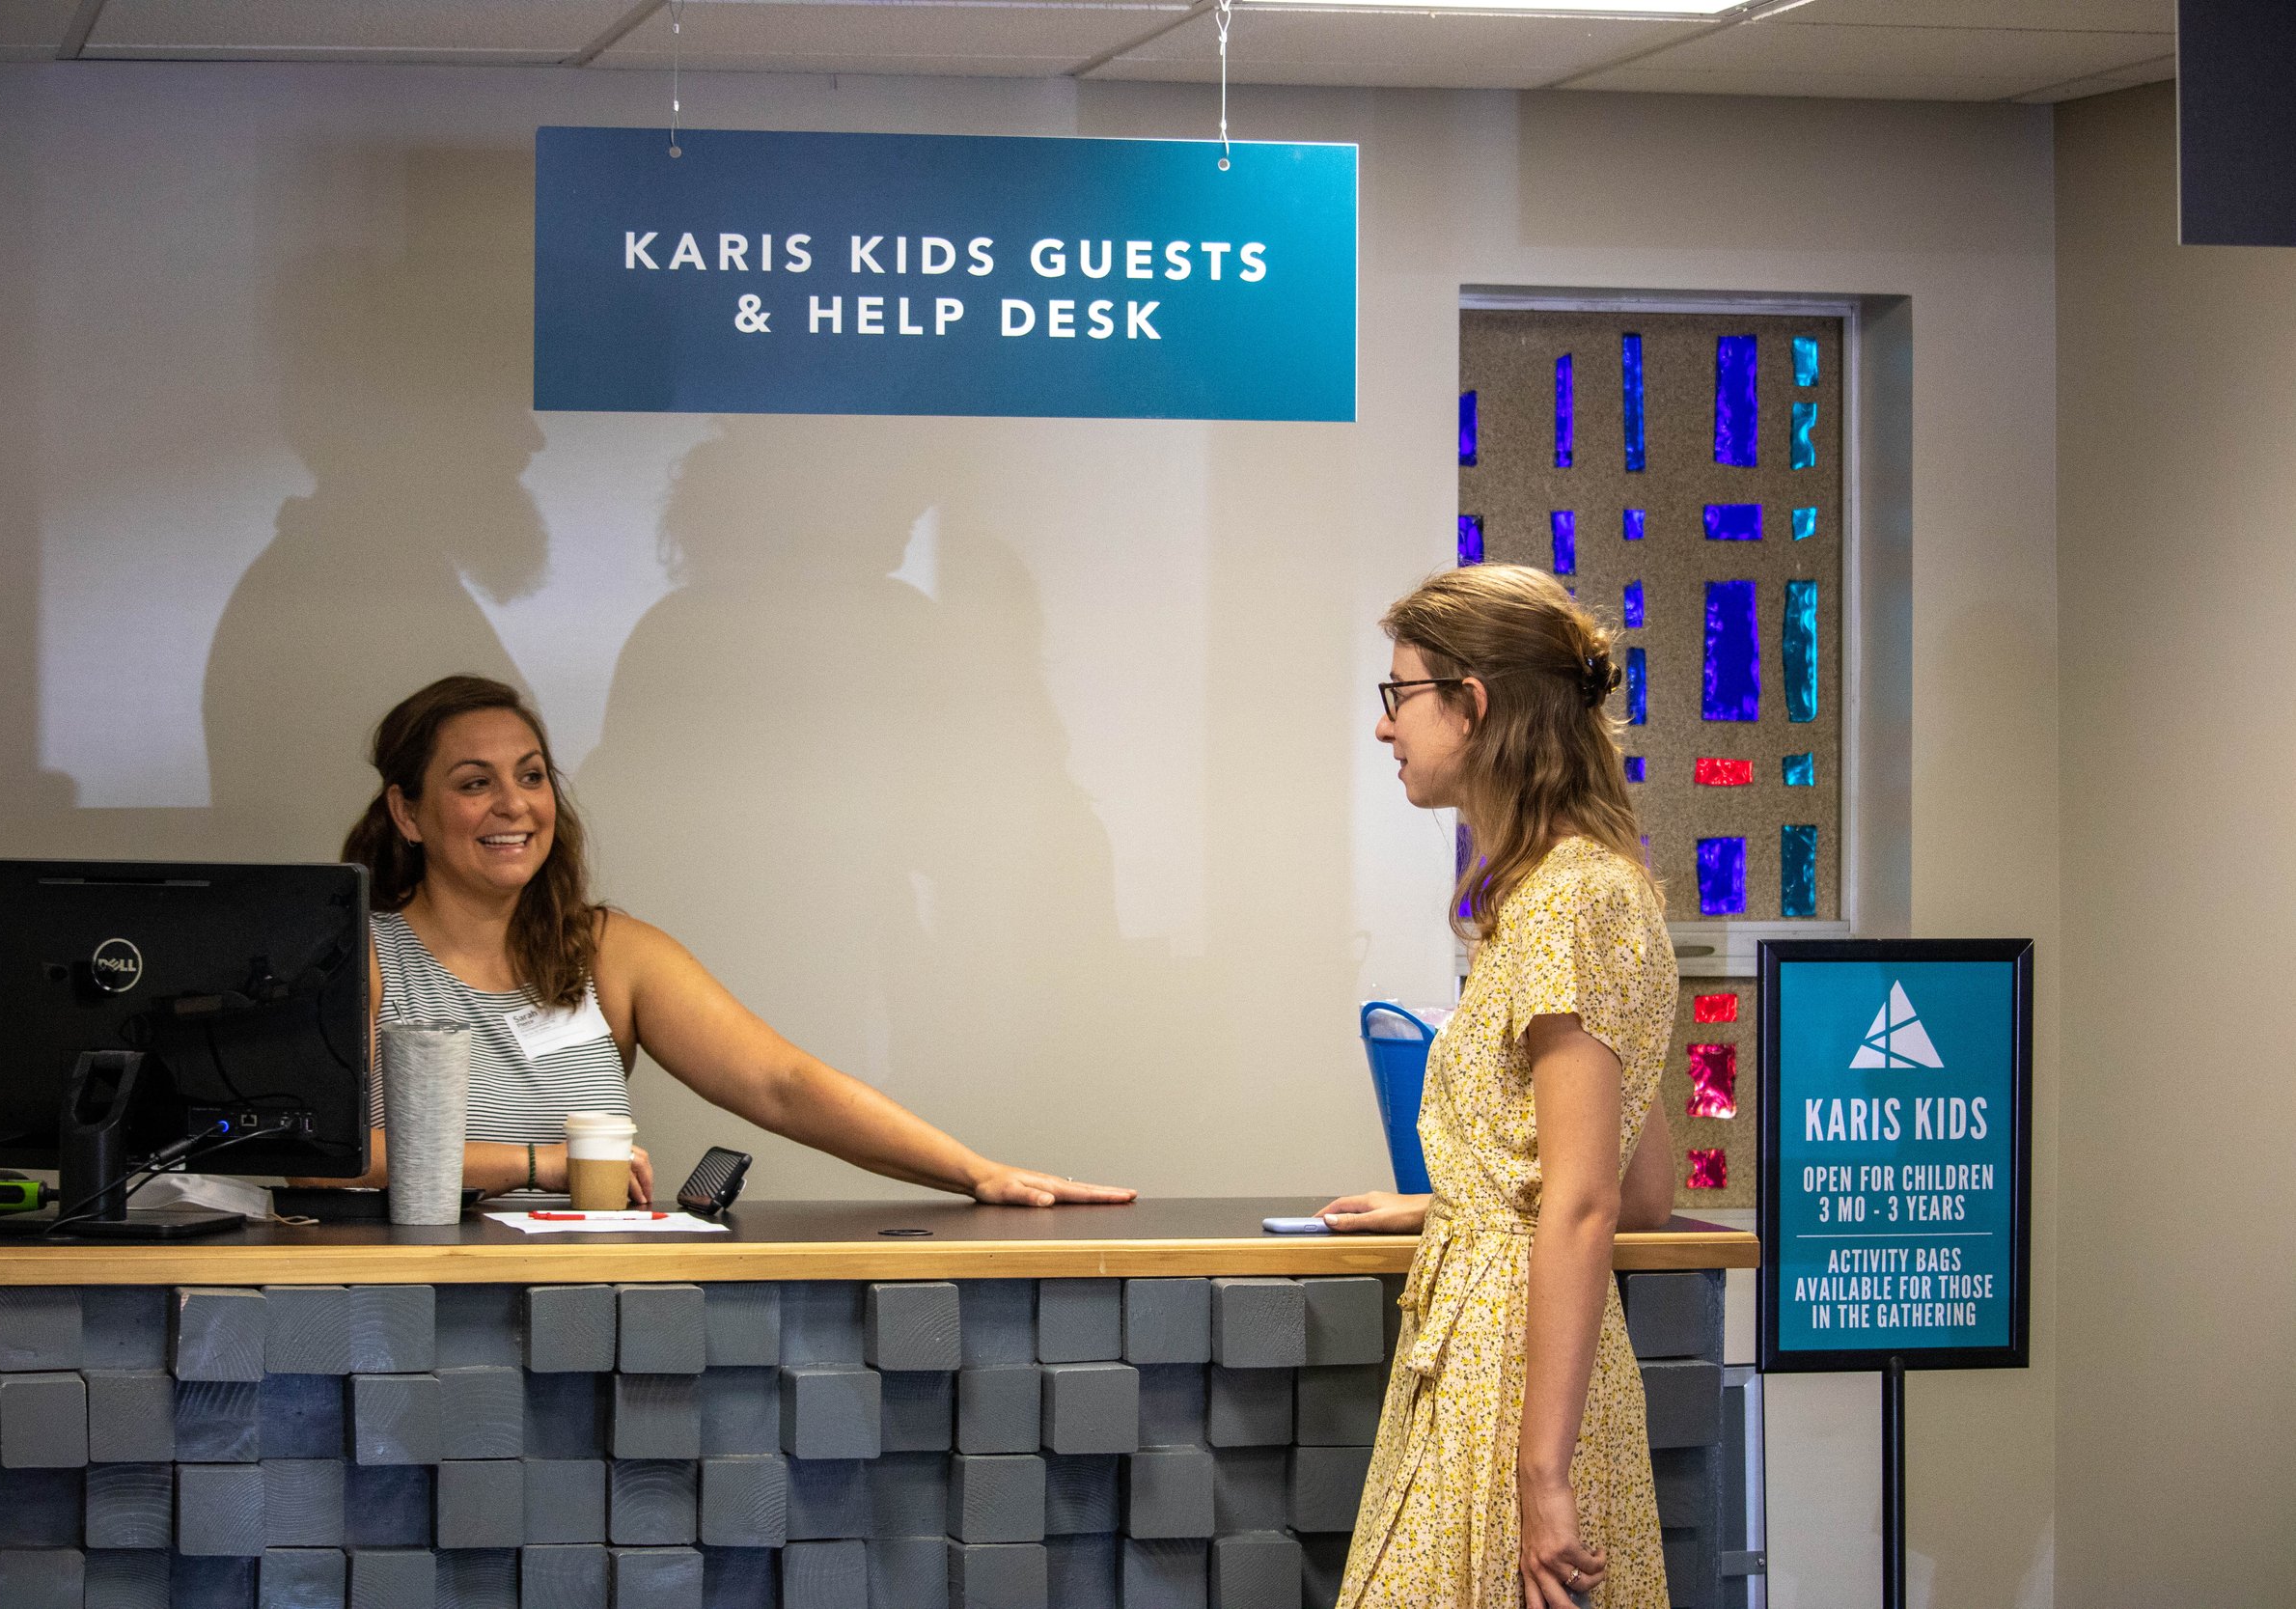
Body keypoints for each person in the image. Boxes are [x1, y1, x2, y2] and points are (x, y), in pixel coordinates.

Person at [329, 673, 1137, 1210]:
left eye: (532, 775)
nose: (515, 805)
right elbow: (319, 1153)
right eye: (476, 783)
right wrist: (537, 1166)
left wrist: (974, 1171)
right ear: (408, 814)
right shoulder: (356, 953)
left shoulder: (608, 953)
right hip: (408, 1310)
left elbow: (783, 1083)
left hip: (589, 1308)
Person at [1323, 566, 1678, 1609]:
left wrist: (1542, 1473)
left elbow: (1588, 1199)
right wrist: (1468, 1201)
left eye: (1399, 695)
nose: (1386, 728)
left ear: (1470, 704)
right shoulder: (1584, 885)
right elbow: (1634, 1183)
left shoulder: (1566, 899)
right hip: (1521, 1349)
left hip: (1510, 1376)